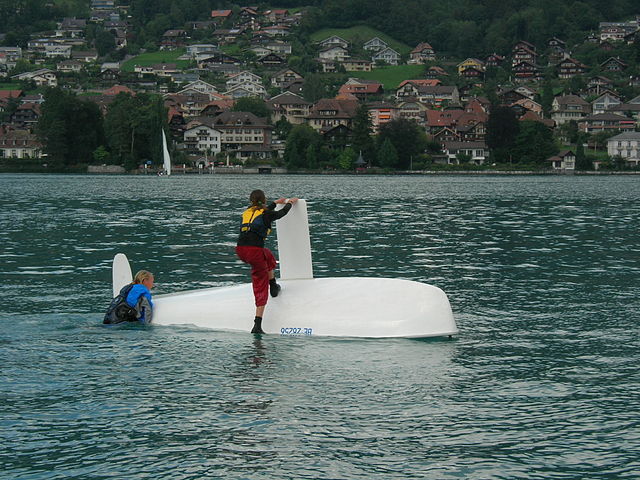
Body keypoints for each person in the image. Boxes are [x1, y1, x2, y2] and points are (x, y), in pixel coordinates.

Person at [236, 189, 298, 334]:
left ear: (251, 201)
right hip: (254, 252)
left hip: (241, 250)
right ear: (263, 200)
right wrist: (289, 203)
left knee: (268, 255)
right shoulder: (265, 214)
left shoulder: (247, 212)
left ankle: (274, 286)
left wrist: (275, 203)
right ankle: (257, 325)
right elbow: (279, 214)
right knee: (259, 283)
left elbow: (264, 213)